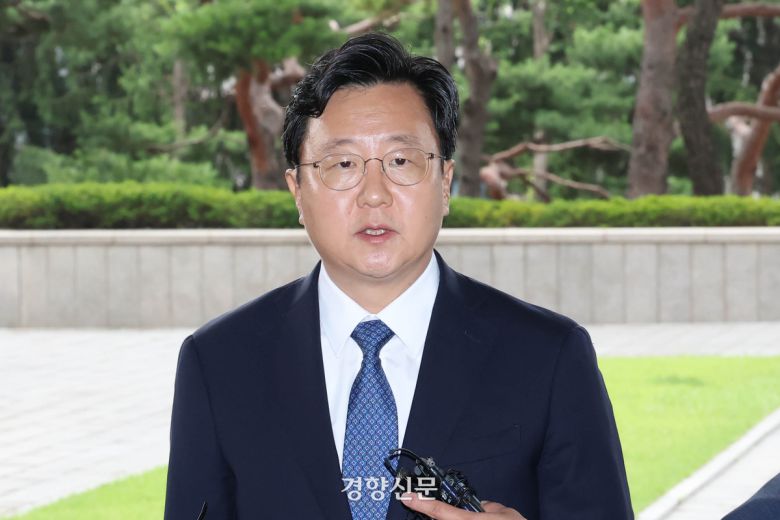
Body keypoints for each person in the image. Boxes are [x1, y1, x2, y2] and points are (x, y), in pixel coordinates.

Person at [164, 32, 633, 520]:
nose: (375, 194)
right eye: (343, 164)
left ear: (445, 183)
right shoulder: (218, 363)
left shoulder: (550, 357)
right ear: (297, 191)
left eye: (401, 161)